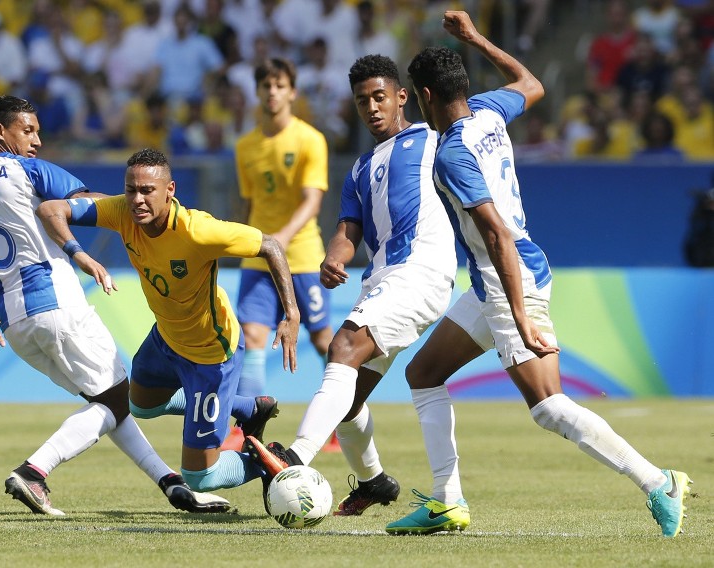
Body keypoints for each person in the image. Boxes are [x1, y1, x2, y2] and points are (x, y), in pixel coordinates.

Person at [390, 10, 690, 537]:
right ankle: (446, 502)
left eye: (417, 96)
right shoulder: (486, 111)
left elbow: (496, 236)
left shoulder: (451, 155)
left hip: (508, 281)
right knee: (423, 374)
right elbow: (531, 83)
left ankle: (658, 481)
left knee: (549, 407)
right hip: (499, 280)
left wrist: (522, 319)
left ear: (426, 96)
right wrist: (477, 38)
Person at [0, 95, 231, 517]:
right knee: (113, 399)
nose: (37, 140)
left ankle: (173, 485)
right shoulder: (26, 169)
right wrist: (156, 214)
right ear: (0, 132)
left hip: (14, 325)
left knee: (107, 401)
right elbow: (101, 205)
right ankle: (35, 471)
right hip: (57, 305)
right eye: (28, 130)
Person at [244, 54, 458, 517]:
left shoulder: (432, 141)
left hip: (420, 270)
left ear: (403, 97)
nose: (372, 107)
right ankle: (375, 481)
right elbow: (348, 230)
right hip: (382, 278)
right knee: (349, 396)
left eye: (380, 96)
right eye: (362, 101)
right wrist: (332, 258)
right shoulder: (359, 169)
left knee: (341, 346)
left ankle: (295, 457)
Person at [35, 148, 300, 495]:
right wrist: (79, 255)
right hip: (165, 338)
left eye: (148, 191)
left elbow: (270, 245)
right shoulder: (121, 212)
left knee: (199, 478)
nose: (137, 200)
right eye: (131, 189)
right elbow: (49, 209)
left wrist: (291, 313)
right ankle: (248, 408)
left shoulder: (199, 231)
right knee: (139, 404)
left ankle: (269, 460)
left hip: (210, 354)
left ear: (170, 190)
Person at [234, 58, 333, 398]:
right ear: (257, 91)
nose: (272, 92)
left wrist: (283, 238)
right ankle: (250, 433)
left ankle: (339, 425)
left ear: (292, 92)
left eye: (279, 86)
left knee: (323, 340)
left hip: (302, 255)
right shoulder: (245, 146)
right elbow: (248, 204)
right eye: (266, 86)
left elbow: (312, 200)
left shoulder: (310, 140)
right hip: (258, 256)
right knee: (252, 337)